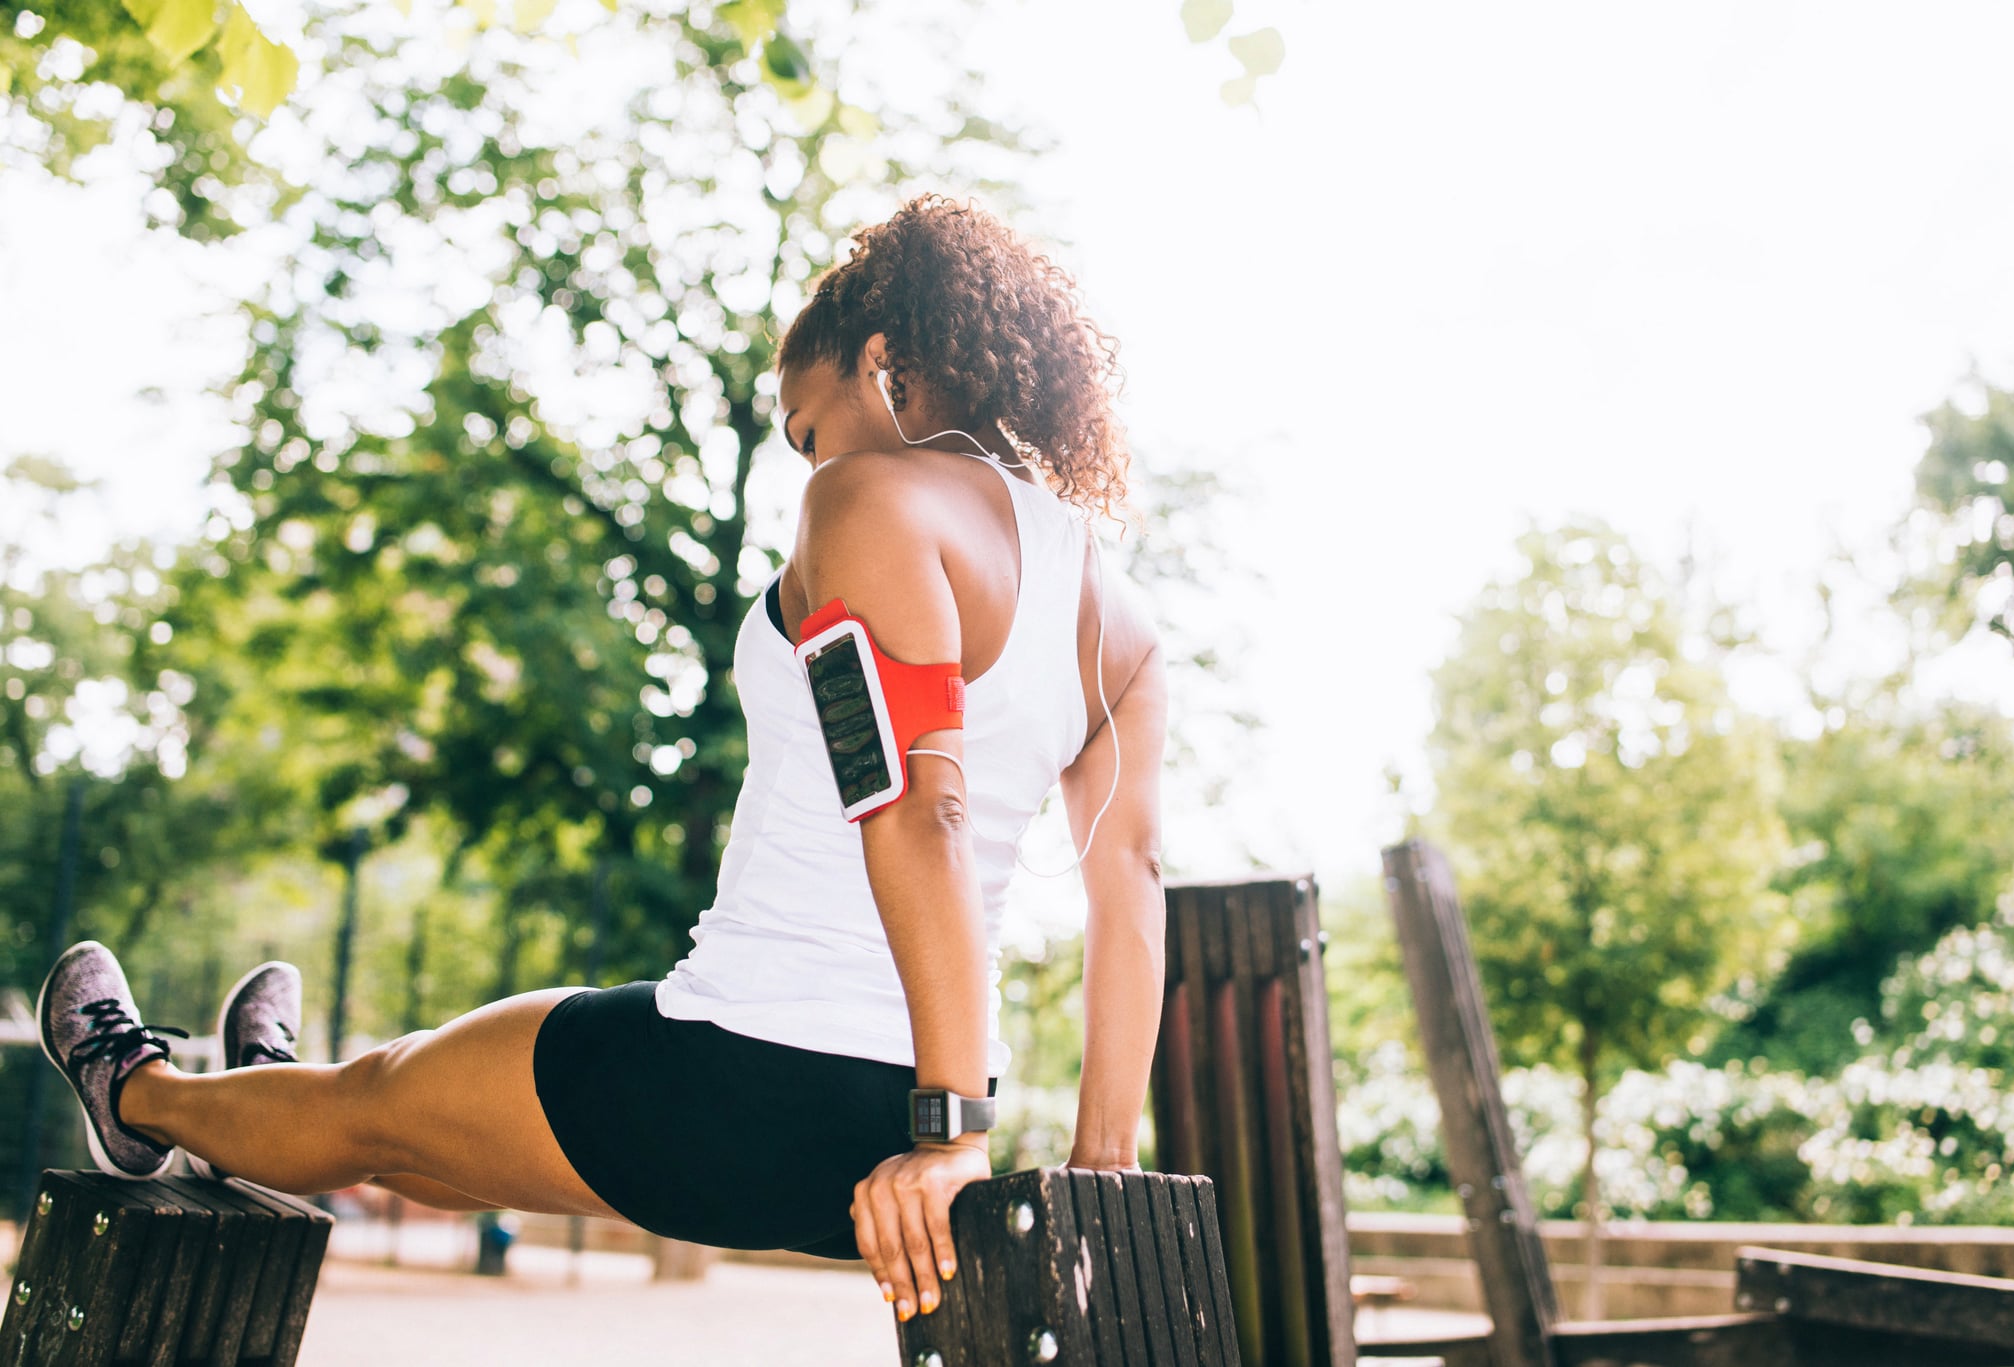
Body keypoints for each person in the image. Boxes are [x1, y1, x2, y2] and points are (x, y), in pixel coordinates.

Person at [34, 193, 1167, 1327]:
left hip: (746, 1074)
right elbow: (1132, 888)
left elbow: (925, 809)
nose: (807, 463)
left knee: (375, 1098)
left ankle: (139, 1092)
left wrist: (950, 1132)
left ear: (879, 363)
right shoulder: (1114, 617)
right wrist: (1094, 1164)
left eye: (804, 428)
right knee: (431, 1142)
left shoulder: (866, 500)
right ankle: (253, 1096)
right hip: (882, 1127)